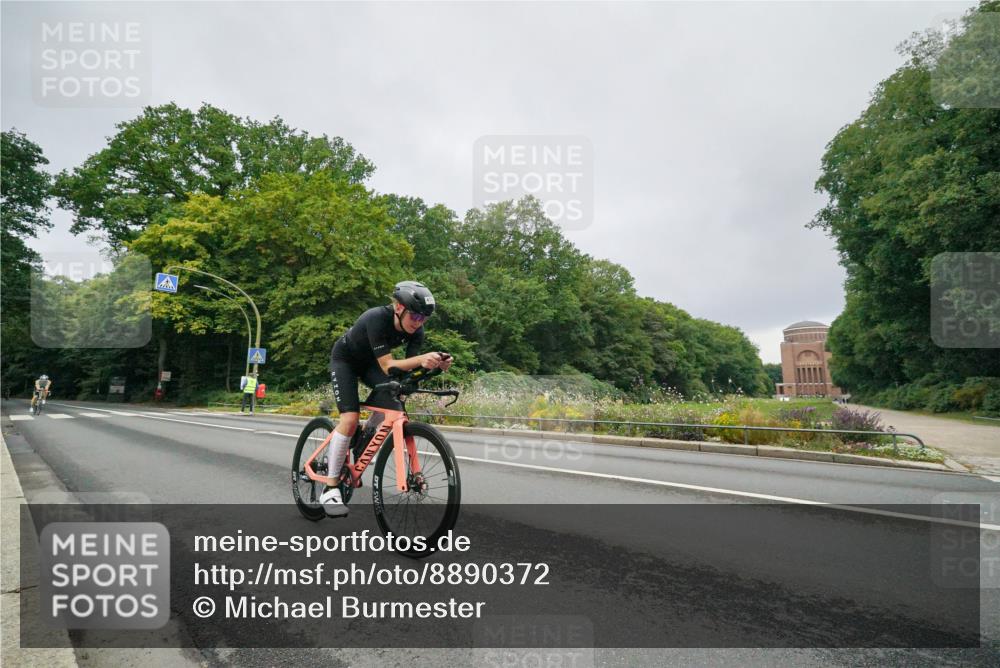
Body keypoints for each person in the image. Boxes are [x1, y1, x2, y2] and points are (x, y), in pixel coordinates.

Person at [322, 281, 453, 517]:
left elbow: (408, 371)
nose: (418, 322)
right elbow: (388, 365)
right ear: (399, 308)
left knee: (395, 393)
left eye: (424, 318)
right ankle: (330, 488)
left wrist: (434, 366)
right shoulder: (376, 318)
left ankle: (363, 439)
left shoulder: (417, 331)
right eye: (415, 316)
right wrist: (422, 359)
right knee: (350, 419)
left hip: (371, 364)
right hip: (346, 361)